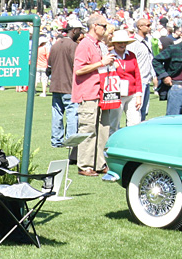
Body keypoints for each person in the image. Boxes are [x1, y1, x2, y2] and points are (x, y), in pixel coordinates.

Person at [73, 14, 115, 177]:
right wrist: (101, 63)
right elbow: (79, 69)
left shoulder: (98, 45)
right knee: (89, 128)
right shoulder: (85, 44)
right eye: (103, 26)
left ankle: (100, 162)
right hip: (88, 92)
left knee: (103, 128)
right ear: (94, 26)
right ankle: (85, 165)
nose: (105, 29)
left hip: (101, 92)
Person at [50, 17, 84, 150]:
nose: (80, 33)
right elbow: (78, 66)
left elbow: (49, 67)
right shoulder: (74, 46)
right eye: (79, 30)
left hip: (55, 85)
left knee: (57, 114)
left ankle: (56, 140)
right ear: (74, 30)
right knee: (71, 113)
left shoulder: (55, 44)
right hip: (69, 85)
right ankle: (70, 141)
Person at [108, 30, 142, 131]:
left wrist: (139, 95)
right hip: (115, 94)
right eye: (119, 42)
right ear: (114, 43)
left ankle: (132, 144)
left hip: (132, 94)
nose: (122, 45)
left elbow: (137, 75)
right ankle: (111, 144)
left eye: (124, 42)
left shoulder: (131, 55)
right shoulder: (109, 56)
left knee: (135, 122)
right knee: (113, 123)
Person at [130, 17, 155, 121]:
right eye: (148, 25)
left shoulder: (148, 40)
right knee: (137, 110)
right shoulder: (133, 43)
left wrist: (154, 75)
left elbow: (150, 59)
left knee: (144, 110)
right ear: (140, 27)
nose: (150, 28)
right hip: (138, 81)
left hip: (147, 79)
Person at [153, 29, 182, 116]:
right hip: (177, 88)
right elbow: (156, 60)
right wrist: (164, 76)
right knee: (172, 119)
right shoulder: (174, 49)